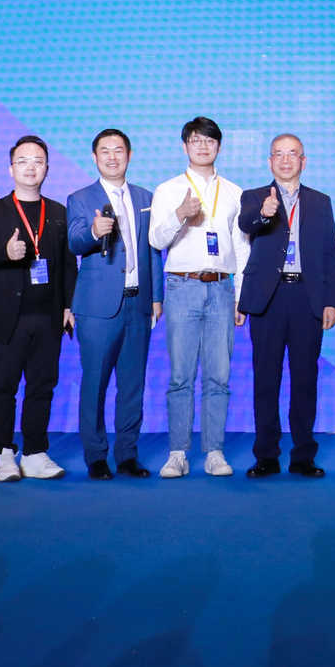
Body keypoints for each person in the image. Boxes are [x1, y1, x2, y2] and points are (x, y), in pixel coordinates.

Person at [0, 136, 77, 482]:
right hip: (8, 316)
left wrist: (68, 305)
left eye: (38, 161)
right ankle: (3, 452)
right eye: (23, 161)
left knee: (42, 385)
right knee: (4, 385)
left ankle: (34, 452)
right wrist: (6, 253)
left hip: (48, 315)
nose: (31, 167)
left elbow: (67, 266)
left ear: (47, 168)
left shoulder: (58, 212)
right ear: (11, 168)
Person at [147, 116, 246, 479]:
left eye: (209, 140)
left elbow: (242, 246)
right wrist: (180, 215)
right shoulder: (168, 190)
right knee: (181, 375)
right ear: (184, 146)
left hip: (221, 288)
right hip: (182, 286)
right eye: (195, 140)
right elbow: (156, 240)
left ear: (219, 146)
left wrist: (241, 297)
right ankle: (178, 452)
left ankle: (214, 451)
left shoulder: (234, 192)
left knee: (219, 375)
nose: (202, 146)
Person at [238, 134, 335, 478]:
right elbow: (245, 224)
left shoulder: (320, 201)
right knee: (266, 380)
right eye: (278, 154)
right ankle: (266, 455)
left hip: (307, 298)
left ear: (303, 161)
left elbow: (331, 254)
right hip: (268, 298)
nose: (285, 160)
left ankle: (303, 456)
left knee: (305, 380)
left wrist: (331, 301)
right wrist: (263, 214)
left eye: (292, 154)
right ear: (270, 162)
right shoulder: (254, 197)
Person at [67, 129, 165, 479]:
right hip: (97, 308)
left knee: (132, 385)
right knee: (94, 383)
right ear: (94, 157)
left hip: (139, 304)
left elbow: (153, 251)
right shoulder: (80, 198)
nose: (112, 157)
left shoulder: (146, 198)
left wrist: (156, 297)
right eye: (105, 151)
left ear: (129, 154)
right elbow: (74, 242)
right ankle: (96, 456)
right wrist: (95, 231)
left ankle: (127, 455)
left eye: (118, 150)